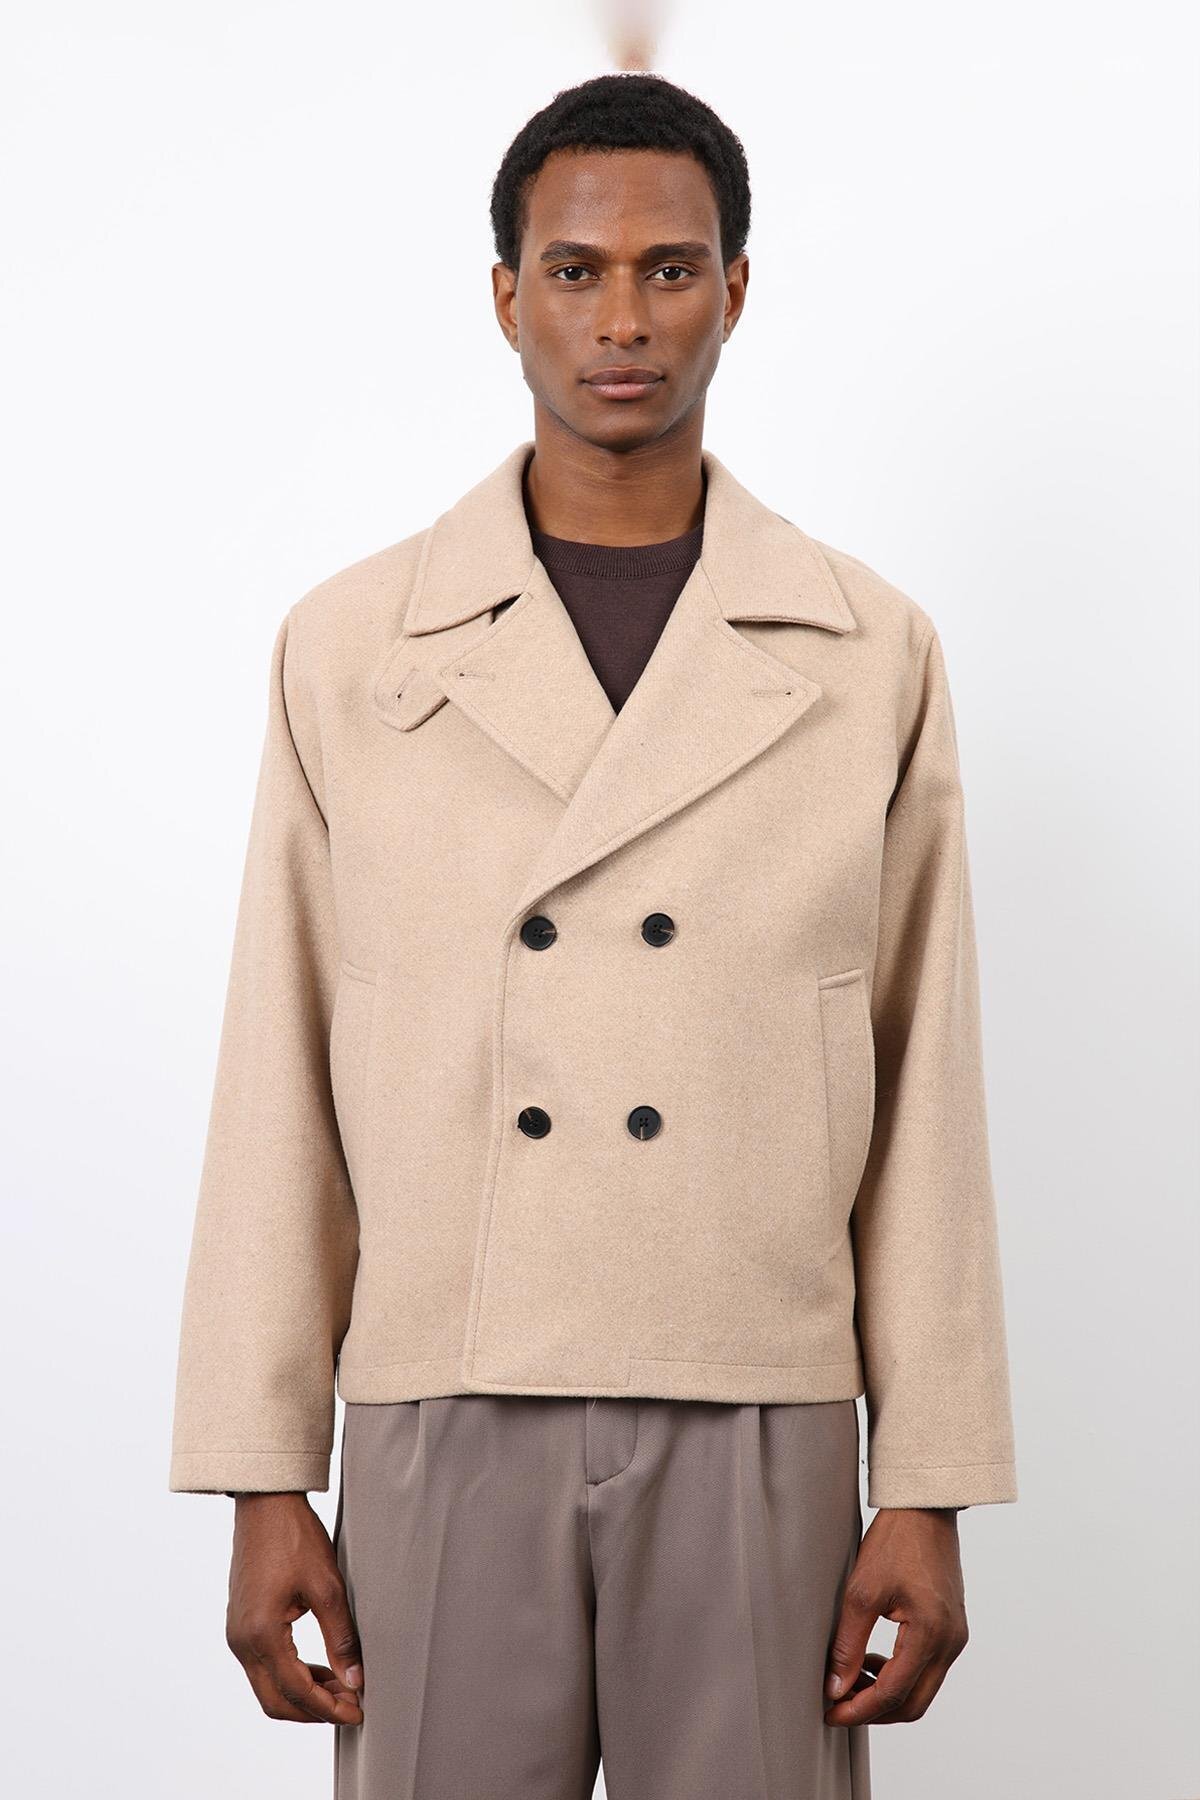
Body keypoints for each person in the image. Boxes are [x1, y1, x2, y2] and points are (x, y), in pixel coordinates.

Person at [169, 71, 1018, 1800]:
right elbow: (281, 1060)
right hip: (443, 1393)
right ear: (506, 296)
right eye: (574, 271)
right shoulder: (355, 646)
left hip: (759, 1389)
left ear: (737, 289)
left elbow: (926, 1079)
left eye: (670, 269)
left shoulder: (867, 650)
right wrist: (263, 1468)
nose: (622, 319)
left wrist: (928, 1477)